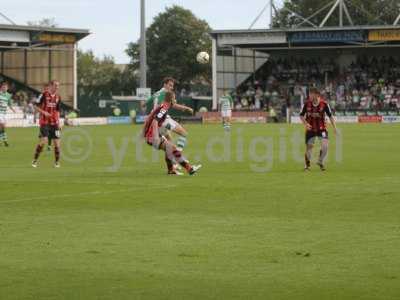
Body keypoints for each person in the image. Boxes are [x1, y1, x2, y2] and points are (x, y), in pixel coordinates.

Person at [143, 91, 201, 176]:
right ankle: (189, 169)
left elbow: (151, 119)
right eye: (174, 98)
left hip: (153, 135)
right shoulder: (164, 108)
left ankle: (171, 171)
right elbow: (155, 121)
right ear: (171, 99)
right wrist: (155, 136)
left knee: (169, 149)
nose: (175, 99)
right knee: (171, 148)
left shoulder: (164, 106)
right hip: (152, 136)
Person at [299, 87, 337, 171]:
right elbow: (301, 115)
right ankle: (307, 165)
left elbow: (330, 116)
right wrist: (306, 123)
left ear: (316, 95)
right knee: (309, 147)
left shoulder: (324, 104)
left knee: (325, 146)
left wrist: (334, 127)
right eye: (309, 94)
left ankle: (320, 161)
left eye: (311, 94)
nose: (309, 96)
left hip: (322, 128)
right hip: (310, 128)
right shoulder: (306, 104)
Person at [146, 77, 188, 151]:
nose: (171, 88)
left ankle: (175, 160)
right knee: (183, 133)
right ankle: (178, 152)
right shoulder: (167, 93)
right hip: (163, 119)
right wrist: (186, 108)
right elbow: (174, 105)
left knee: (170, 143)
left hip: (156, 121)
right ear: (165, 84)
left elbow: (146, 103)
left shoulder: (156, 93)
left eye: (172, 86)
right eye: (170, 85)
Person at [32, 80, 63, 168]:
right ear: (51, 86)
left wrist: (59, 122)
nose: (57, 87)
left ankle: (57, 162)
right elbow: (35, 106)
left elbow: (57, 111)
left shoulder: (58, 97)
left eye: (58, 86)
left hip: (55, 123)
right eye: (55, 85)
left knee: (57, 143)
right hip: (44, 122)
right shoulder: (44, 95)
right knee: (44, 141)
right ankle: (35, 160)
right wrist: (44, 112)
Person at [0, 82, 16, 147]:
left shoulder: (8, 95)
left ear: (7, 88)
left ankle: (4, 141)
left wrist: (13, 109)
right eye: (3, 87)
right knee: (1, 125)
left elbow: (9, 103)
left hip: (4, 113)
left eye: (6, 87)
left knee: (3, 128)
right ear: (1, 87)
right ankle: (5, 141)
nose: (5, 88)